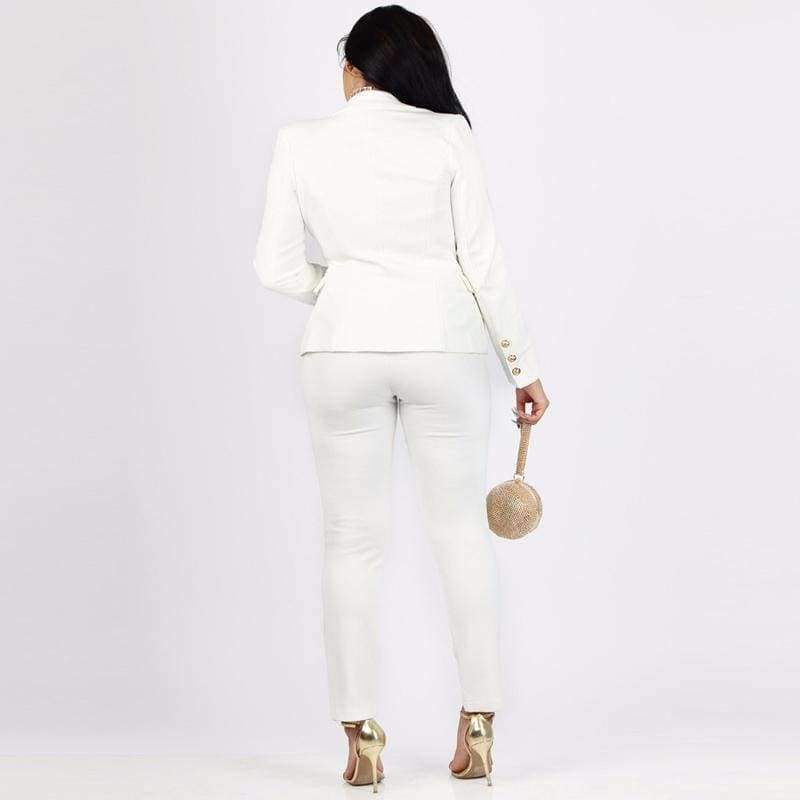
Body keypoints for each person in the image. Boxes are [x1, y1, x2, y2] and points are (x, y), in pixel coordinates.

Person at [254, 5, 549, 790]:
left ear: (353, 69)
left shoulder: (300, 142)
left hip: (339, 351)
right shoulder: (449, 136)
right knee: (460, 537)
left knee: (350, 543)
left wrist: (344, 288)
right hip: (442, 347)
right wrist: (522, 368)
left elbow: (275, 266)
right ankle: (479, 722)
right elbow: (483, 264)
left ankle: (360, 735)